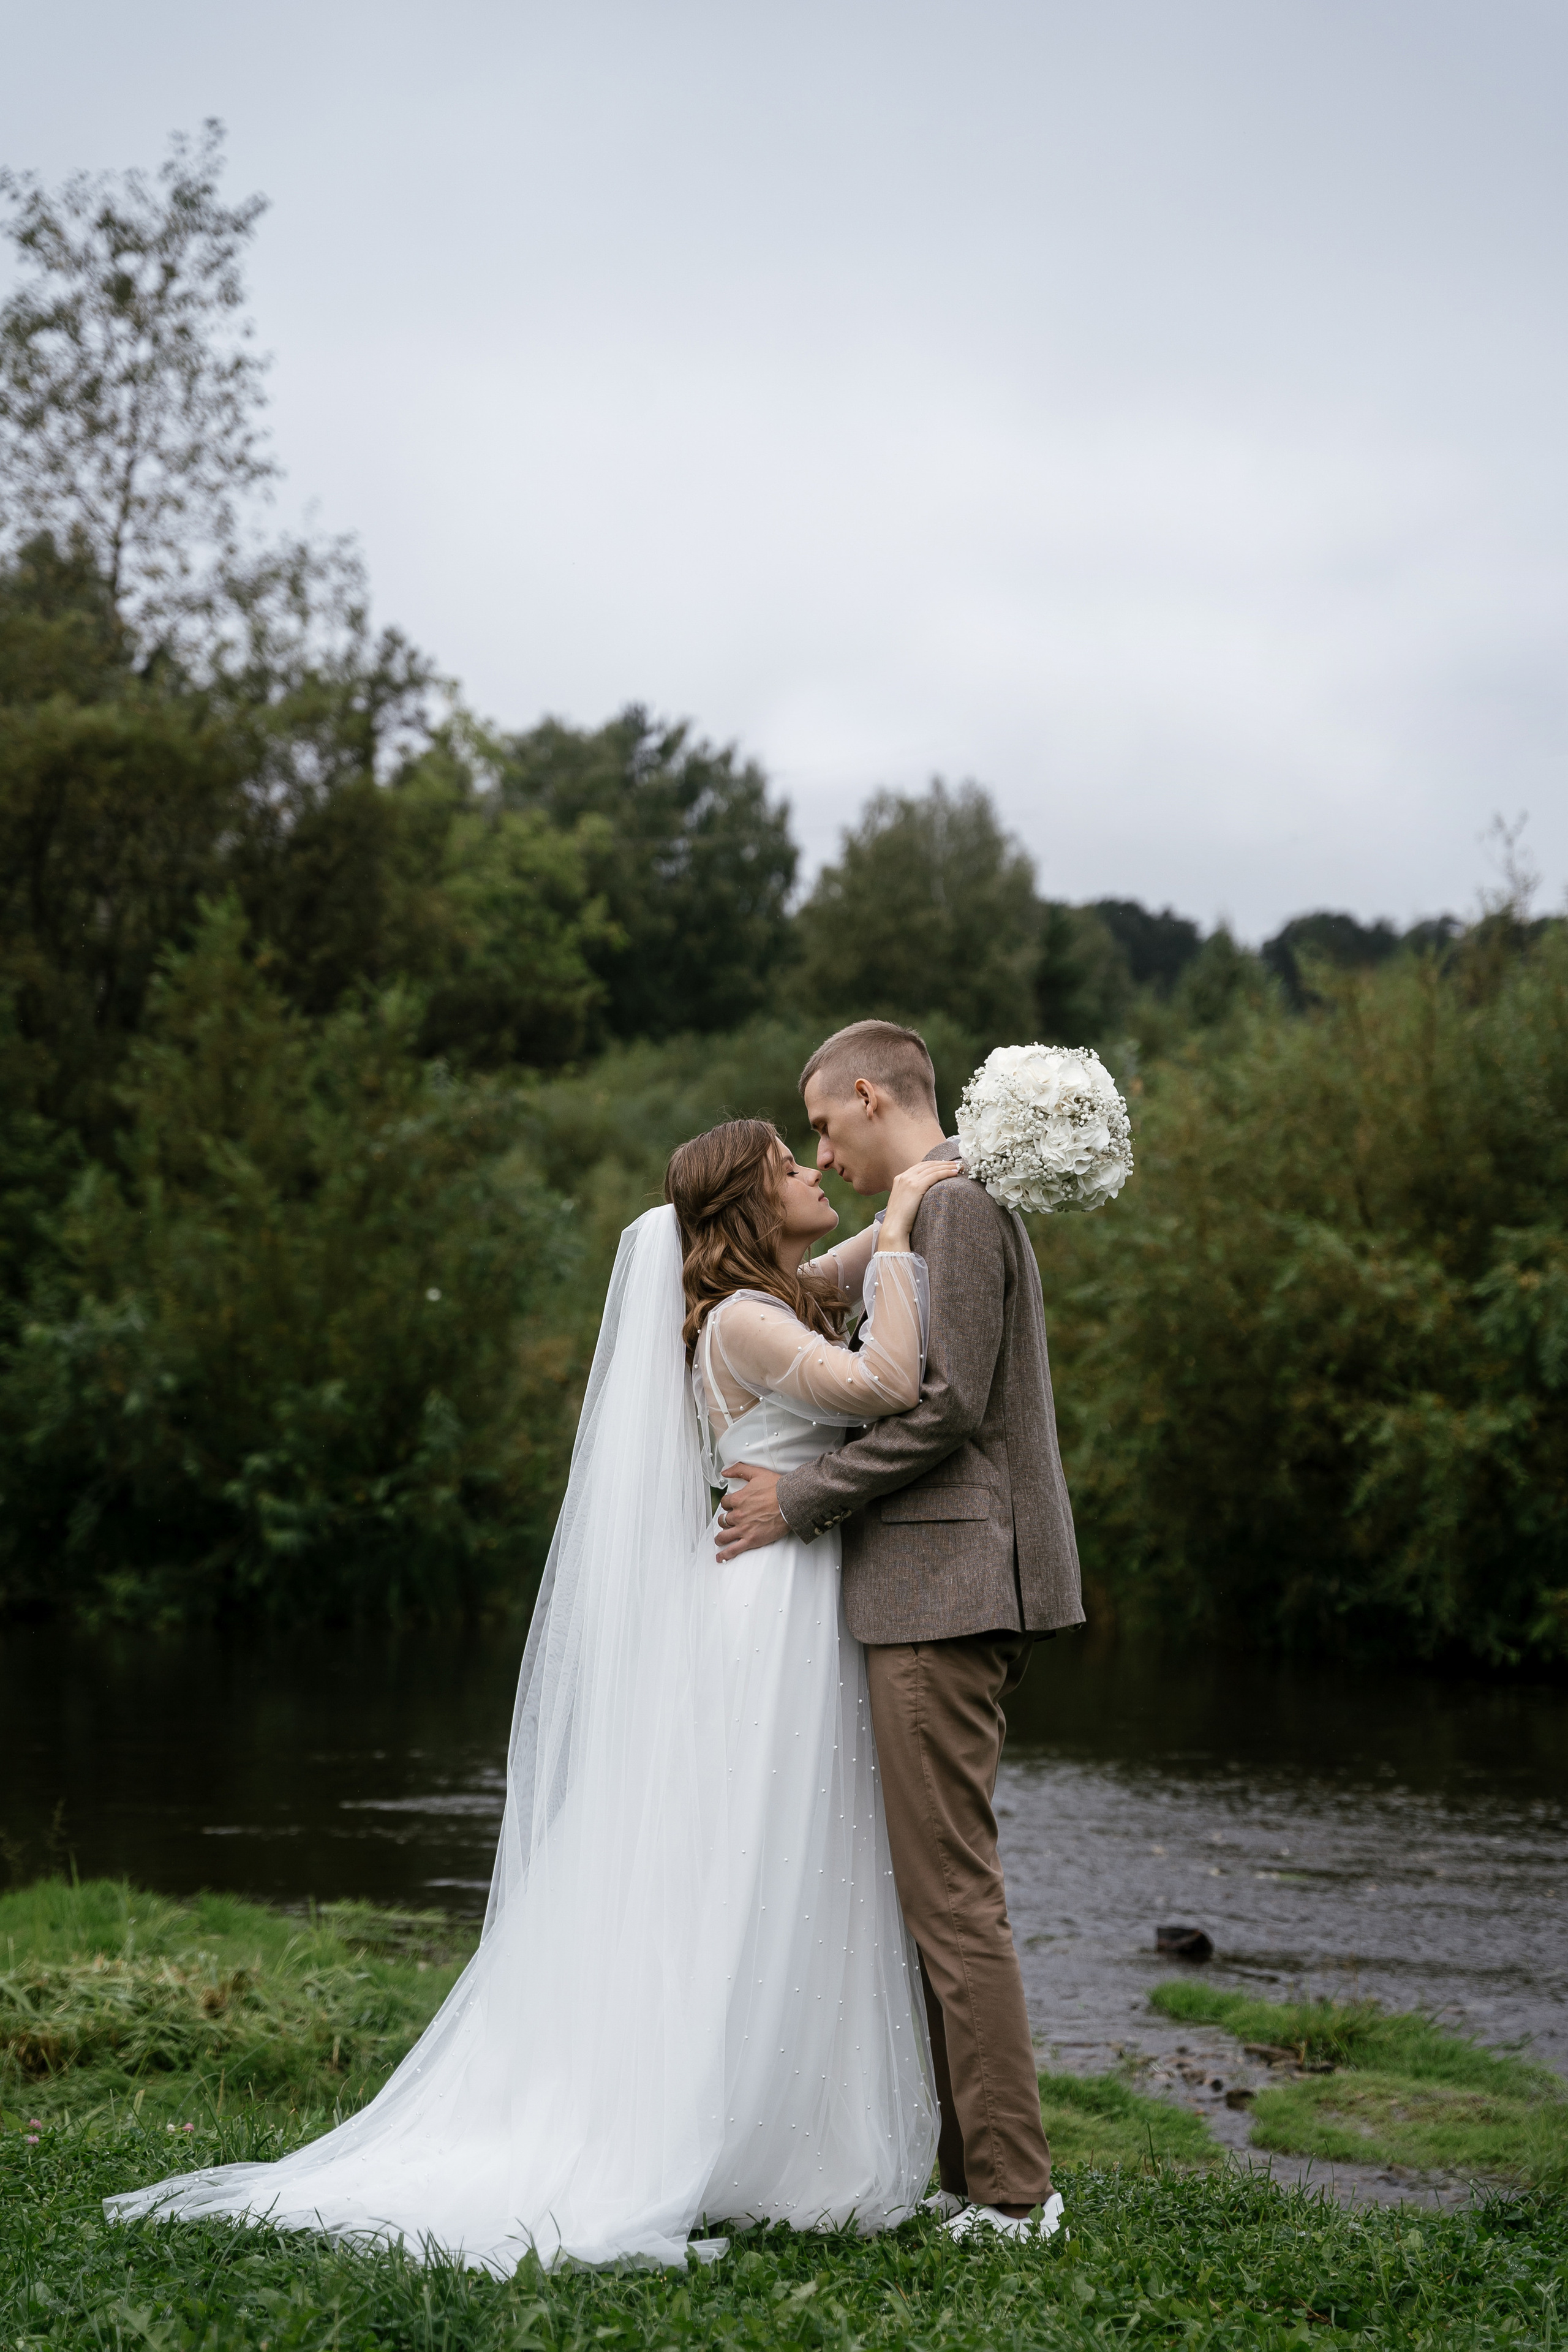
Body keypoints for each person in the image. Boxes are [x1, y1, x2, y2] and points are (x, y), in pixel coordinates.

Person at [106, 1120, 955, 2273]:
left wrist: (920, 1179)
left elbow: (839, 1266)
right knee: (757, 1852)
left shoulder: (764, 1296)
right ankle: (730, 2128)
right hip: (770, 1611)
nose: (815, 1173)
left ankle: (778, 2133)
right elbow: (893, 1381)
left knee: (785, 1855)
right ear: (750, 1209)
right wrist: (903, 1229)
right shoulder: (750, 1321)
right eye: (789, 1168)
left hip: (784, 1597)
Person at [717, 1020, 1084, 2243]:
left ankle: (1011, 2193)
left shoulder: (959, 1213)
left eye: (823, 1126)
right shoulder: (928, 1210)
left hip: (946, 1591)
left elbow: (949, 1407)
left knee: (948, 1897)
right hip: (934, 1587)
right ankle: (964, 2172)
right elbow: (797, 1305)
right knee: (932, 1889)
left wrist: (800, 1500)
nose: (820, 1149)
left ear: (868, 1097)